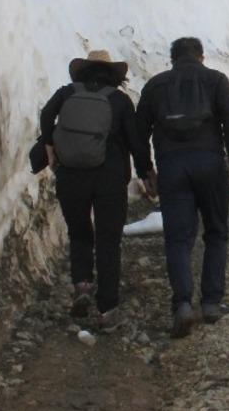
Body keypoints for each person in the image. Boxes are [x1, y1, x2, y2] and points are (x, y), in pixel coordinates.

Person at [137, 37, 229, 338]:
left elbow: (138, 129)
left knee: (178, 238)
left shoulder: (156, 86)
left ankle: (183, 304)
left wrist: (145, 169)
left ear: (172, 59)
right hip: (210, 164)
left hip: (172, 168)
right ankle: (211, 303)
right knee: (216, 231)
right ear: (201, 56)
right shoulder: (215, 80)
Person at [40, 50, 155, 331]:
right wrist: (146, 173)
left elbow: (46, 115)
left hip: (71, 176)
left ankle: (82, 284)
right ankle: (107, 310)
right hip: (110, 179)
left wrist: (49, 144)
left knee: (79, 231)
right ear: (114, 74)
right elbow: (136, 142)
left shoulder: (67, 93)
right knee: (108, 241)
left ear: (83, 71)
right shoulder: (119, 100)